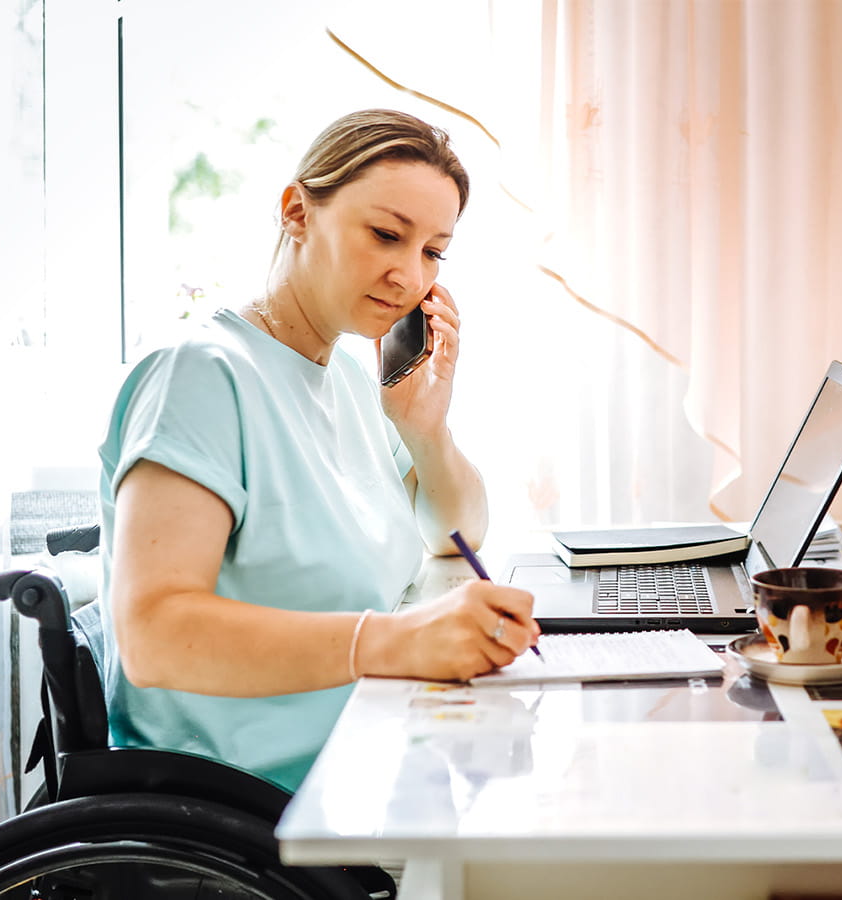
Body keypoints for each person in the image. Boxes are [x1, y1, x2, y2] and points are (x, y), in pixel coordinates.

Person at [95, 108, 540, 793]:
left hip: (370, 763)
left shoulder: (352, 385)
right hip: (252, 812)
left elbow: (458, 534)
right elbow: (153, 635)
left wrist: (427, 429)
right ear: (297, 212)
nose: (409, 277)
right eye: (386, 235)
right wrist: (396, 642)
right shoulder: (202, 377)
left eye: (432, 252)